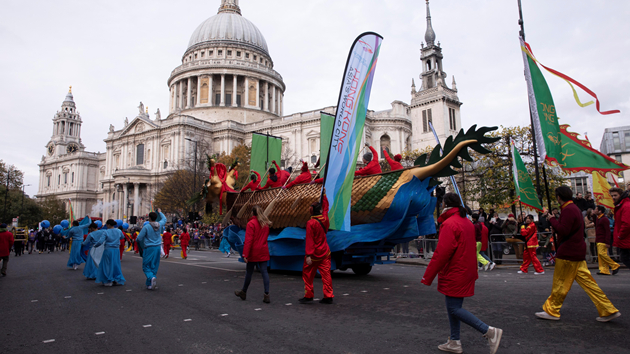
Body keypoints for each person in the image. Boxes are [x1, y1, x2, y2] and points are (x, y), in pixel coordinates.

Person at [421, 193, 502, 354]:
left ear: (445, 204)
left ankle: (488, 331)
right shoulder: (465, 222)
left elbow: (441, 253)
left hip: (454, 271)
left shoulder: (450, 224)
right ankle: (454, 341)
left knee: (454, 309)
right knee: (454, 307)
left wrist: (427, 276)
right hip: (465, 269)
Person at [536, 186, 620, 322]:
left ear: (559, 197)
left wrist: (552, 220)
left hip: (568, 252)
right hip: (577, 251)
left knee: (560, 283)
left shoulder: (568, 210)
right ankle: (607, 309)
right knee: (589, 284)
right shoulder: (574, 208)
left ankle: (552, 310)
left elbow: (563, 230)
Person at [299, 191, 334, 304]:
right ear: (319, 210)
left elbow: (309, 240)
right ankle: (328, 296)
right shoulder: (325, 218)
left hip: (314, 255)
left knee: (307, 274)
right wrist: (324, 195)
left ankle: (309, 295)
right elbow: (326, 208)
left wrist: (308, 255)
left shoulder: (311, 223)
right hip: (325, 252)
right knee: (326, 275)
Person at [234, 205, 272, 303]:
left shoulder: (251, 223)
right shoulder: (265, 224)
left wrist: (245, 254)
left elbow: (249, 240)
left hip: (253, 251)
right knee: (264, 272)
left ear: (252, 213)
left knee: (249, 272)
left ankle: (244, 291)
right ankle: (266, 294)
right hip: (263, 250)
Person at [137, 210, 166, 290]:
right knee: (154, 265)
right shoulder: (160, 225)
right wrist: (160, 212)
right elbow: (164, 219)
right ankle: (149, 284)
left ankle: (151, 277)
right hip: (157, 247)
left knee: (146, 266)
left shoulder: (146, 227)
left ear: (149, 218)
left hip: (149, 247)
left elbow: (139, 238)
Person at [93, 219, 126, 286]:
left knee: (107, 265)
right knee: (116, 264)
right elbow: (122, 237)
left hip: (108, 249)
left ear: (108, 224)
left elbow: (100, 241)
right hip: (116, 250)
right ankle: (116, 278)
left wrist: (95, 246)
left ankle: (108, 280)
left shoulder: (106, 232)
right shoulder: (119, 231)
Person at [593, 205, 619, 276]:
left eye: (596, 209)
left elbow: (607, 231)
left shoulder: (604, 219)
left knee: (602, 254)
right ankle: (604, 270)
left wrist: (607, 241)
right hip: (599, 239)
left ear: (600, 211)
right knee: (600, 256)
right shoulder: (598, 218)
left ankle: (614, 265)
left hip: (603, 240)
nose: (594, 210)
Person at [610, 187, 630, 269]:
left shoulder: (625, 205)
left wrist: (620, 235)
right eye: (612, 196)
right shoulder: (622, 205)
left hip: (626, 239)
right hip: (625, 239)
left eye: (615, 195)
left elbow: (627, 223)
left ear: (621, 195)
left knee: (625, 258)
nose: (613, 197)